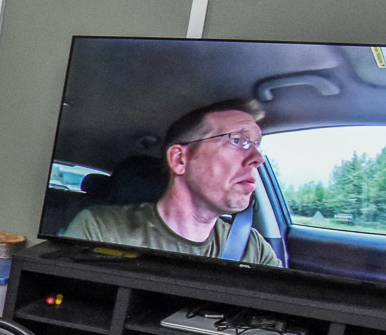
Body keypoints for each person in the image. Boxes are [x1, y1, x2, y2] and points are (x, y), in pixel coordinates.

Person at [61, 98, 285, 266]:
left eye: (257, 145)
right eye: (238, 140)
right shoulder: (100, 230)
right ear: (179, 159)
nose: (259, 158)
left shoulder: (252, 246)